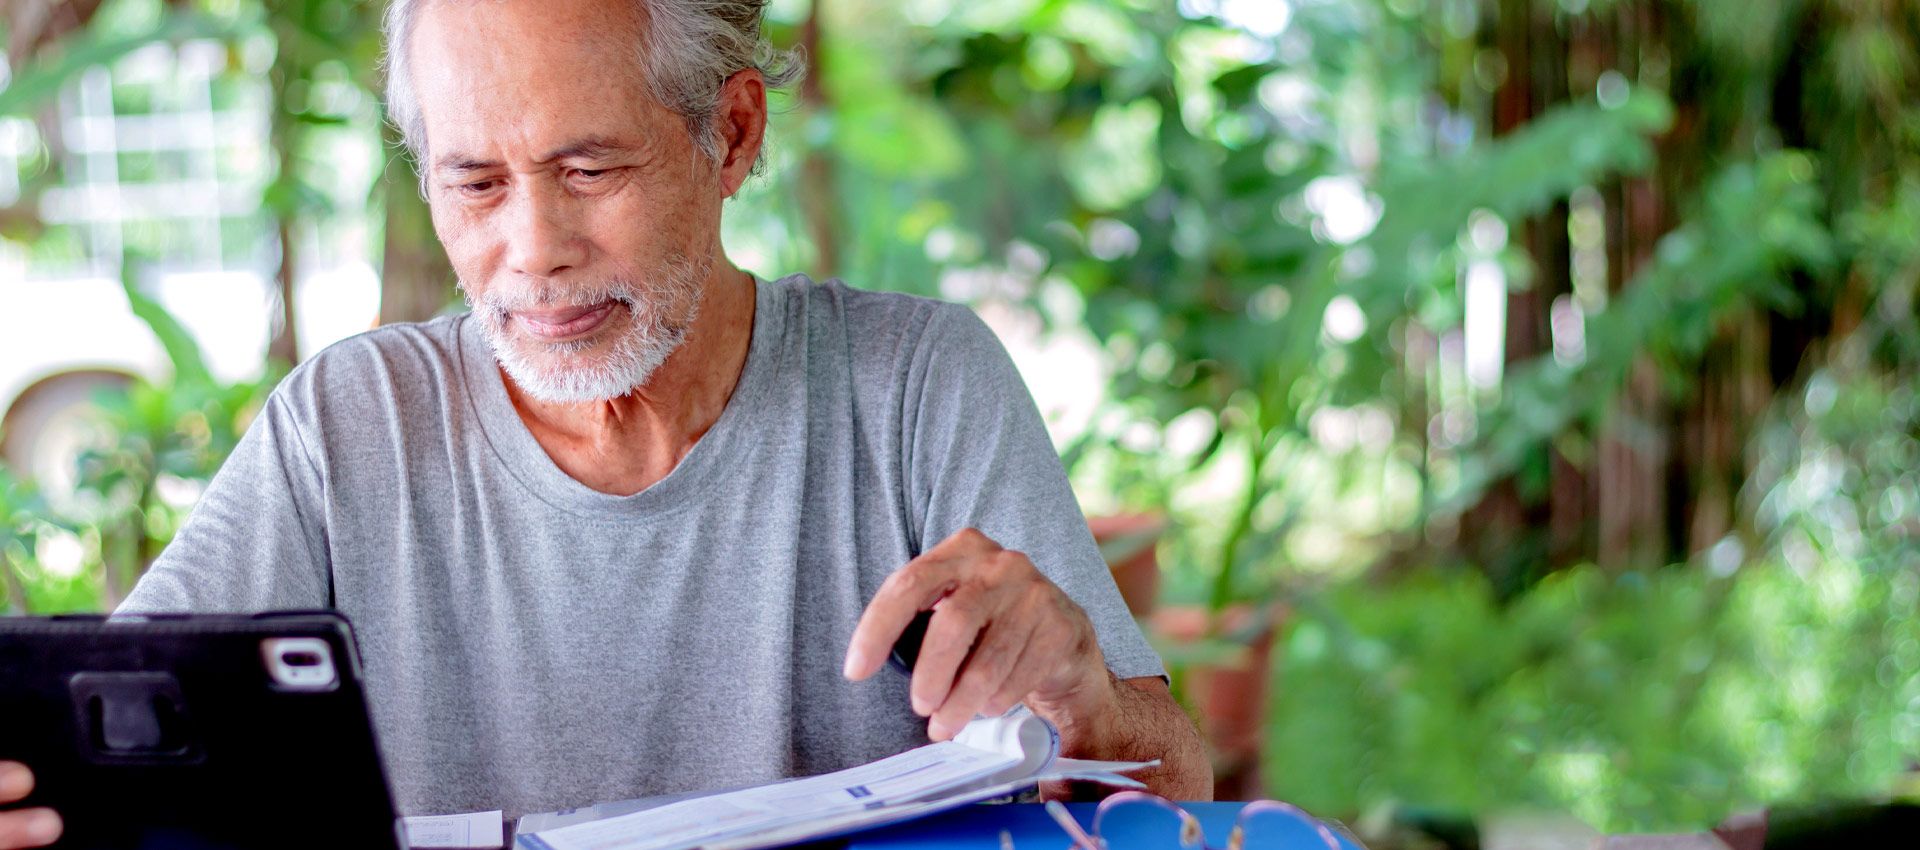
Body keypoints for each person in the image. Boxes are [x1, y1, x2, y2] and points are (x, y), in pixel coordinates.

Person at [0, 0, 1209, 845]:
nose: (532, 252)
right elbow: (97, 747)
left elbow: (1179, 784)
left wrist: (1090, 701)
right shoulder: (346, 425)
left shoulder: (913, 383)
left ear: (731, 134)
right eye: (473, 183)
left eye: (590, 171)